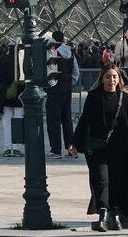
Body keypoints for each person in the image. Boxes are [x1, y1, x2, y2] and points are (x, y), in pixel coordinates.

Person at [69, 63, 128, 231]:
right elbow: (84, 121)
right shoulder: (94, 96)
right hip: (98, 147)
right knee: (101, 180)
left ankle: (115, 216)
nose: (112, 80)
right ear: (102, 79)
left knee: (117, 181)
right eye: (108, 77)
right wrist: (74, 141)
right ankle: (103, 216)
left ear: (119, 79)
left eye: (115, 77)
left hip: (119, 146)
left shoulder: (124, 97)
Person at [46, 30, 80, 159]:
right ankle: (71, 150)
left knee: (53, 120)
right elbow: (76, 72)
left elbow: (48, 69)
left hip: (54, 89)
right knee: (67, 120)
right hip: (67, 89)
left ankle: (56, 150)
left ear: (53, 39)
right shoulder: (70, 51)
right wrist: (69, 83)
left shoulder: (52, 50)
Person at [0, 44, 24, 157]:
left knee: (6, 122)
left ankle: (8, 147)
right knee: (18, 121)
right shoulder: (21, 64)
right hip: (19, 97)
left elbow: (1, 79)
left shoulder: (4, 62)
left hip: (7, 96)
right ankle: (16, 147)